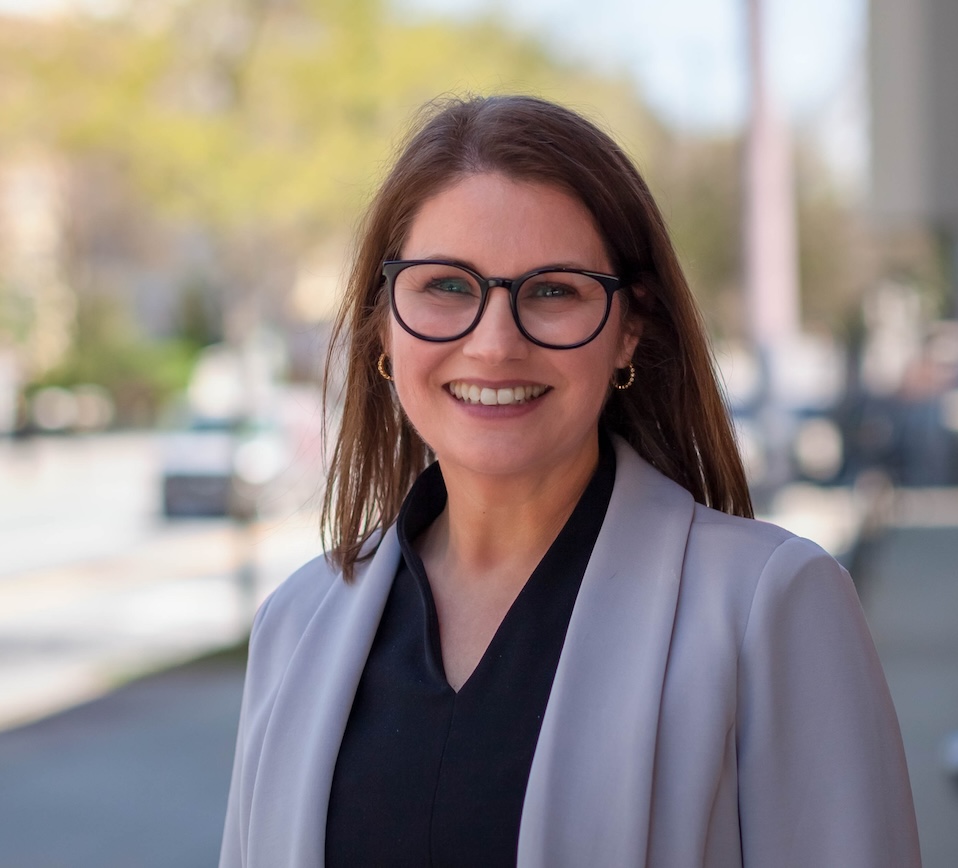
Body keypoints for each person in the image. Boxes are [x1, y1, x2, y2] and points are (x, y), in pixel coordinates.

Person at [220, 95, 920, 867]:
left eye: (553, 291)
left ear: (629, 329)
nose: (493, 345)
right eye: (446, 286)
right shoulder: (295, 626)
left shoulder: (768, 605)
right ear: (382, 322)